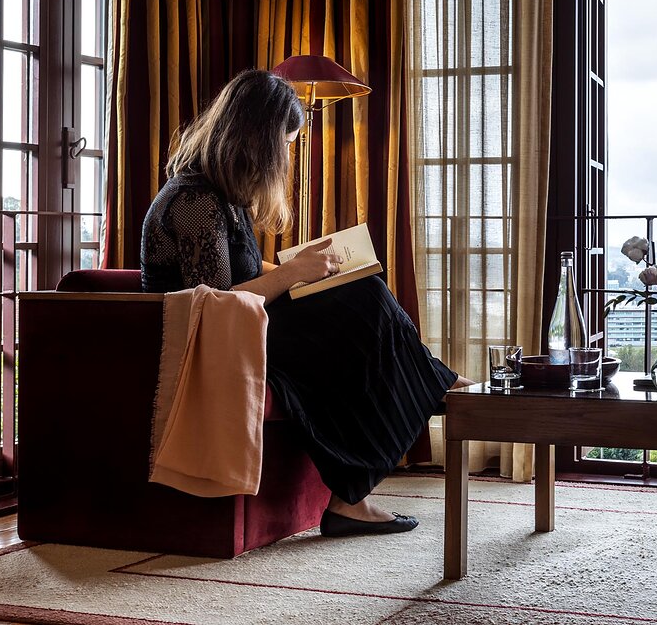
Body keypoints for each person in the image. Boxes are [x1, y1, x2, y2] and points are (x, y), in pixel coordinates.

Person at [140, 68, 472, 536]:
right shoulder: (194, 201)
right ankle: (432, 385)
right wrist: (295, 274)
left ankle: (368, 472)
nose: (287, 155)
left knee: (361, 291)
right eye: (287, 142)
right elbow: (213, 308)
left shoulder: (220, 194)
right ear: (258, 138)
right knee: (366, 301)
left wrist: (308, 269)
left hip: (243, 330)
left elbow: (242, 278)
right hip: (209, 344)